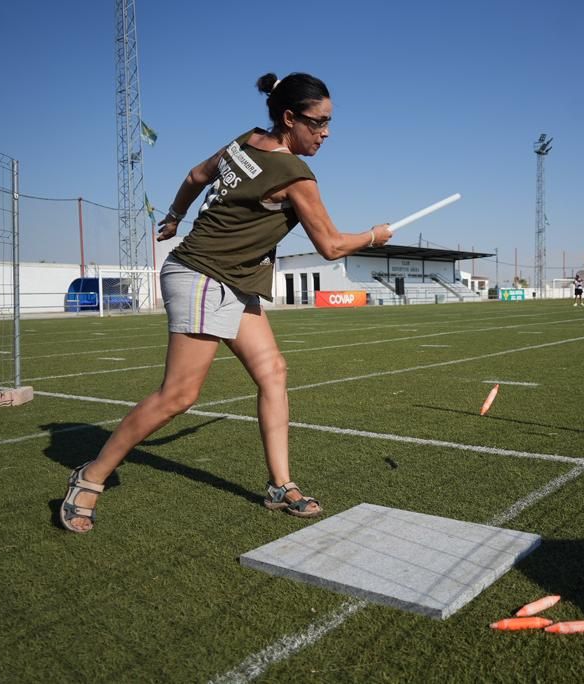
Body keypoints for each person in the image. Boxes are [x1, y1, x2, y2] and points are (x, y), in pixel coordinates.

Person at [60, 72, 393, 533]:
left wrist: (175, 216)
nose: (326, 133)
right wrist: (374, 236)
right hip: (204, 276)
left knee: (272, 372)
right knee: (178, 395)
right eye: (318, 123)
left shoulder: (247, 140)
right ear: (290, 118)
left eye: (330, 123)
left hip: (231, 279)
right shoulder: (296, 175)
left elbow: (195, 176)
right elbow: (332, 247)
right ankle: (91, 476)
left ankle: (280, 485)